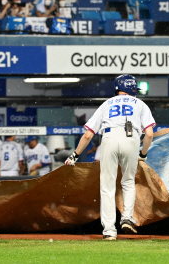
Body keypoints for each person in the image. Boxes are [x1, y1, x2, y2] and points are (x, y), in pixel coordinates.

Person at [64, 74, 155, 240]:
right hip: (131, 138)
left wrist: (75, 155)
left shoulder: (106, 104)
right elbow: (149, 134)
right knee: (128, 182)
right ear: (133, 88)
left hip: (109, 137)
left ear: (117, 88)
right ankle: (127, 217)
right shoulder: (140, 104)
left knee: (107, 187)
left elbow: (87, 135)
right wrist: (143, 154)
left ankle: (109, 231)